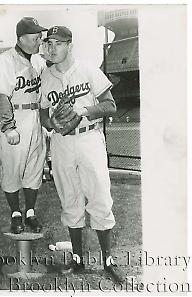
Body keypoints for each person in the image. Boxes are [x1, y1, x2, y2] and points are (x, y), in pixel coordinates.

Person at [39, 26, 125, 283]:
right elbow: (43, 113)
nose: (52, 48)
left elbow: (110, 106)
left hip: (89, 138)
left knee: (99, 196)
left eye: (58, 43)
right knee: (70, 198)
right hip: (62, 142)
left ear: (70, 45)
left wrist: (83, 110)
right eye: (48, 43)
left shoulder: (87, 69)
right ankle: (77, 260)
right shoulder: (45, 75)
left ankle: (108, 261)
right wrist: (51, 124)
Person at [0, 17, 47, 234]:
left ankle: (30, 213)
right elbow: (1, 96)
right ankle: (15, 214)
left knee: (35, 167)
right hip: (15, 118)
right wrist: (8, 126)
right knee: (12, 169)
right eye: (35, 38)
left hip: (35, 118)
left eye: (40, 38)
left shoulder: (37, 60)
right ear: (21, 38)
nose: (38, 42)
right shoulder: (4, 61)